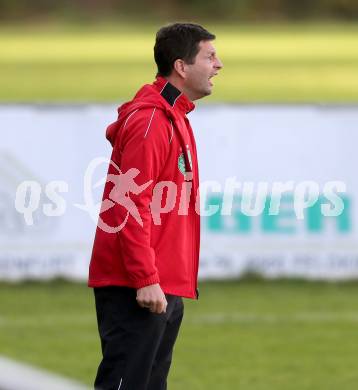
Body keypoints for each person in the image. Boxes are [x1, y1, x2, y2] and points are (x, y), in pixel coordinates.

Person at [88, 22, 223, 390]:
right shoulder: (151, 120)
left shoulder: (174, 116)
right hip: (139, 286)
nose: (219, 65)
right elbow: (128, 206)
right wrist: (146, 278)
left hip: (162, 286)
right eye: (210, 56)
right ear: (181, 66)